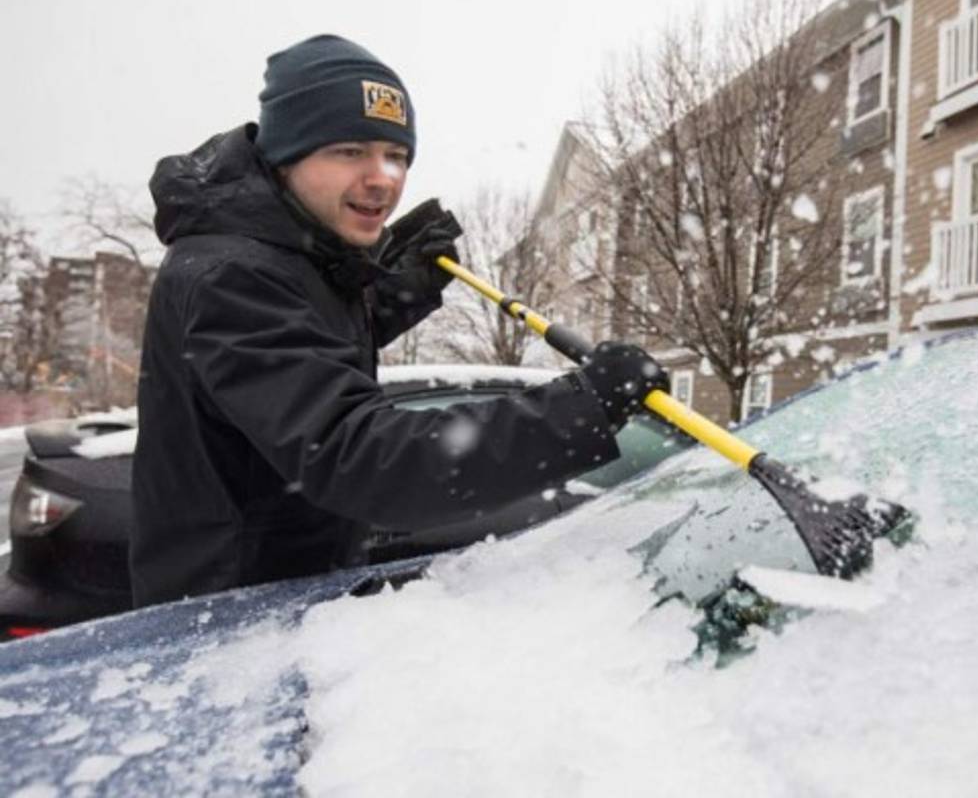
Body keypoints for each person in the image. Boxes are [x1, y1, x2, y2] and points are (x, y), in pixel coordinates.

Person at [130, 34, 667, 606]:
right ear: (286, 154)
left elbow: (298, 354)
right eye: (349, 151)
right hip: (226, 624)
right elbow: (360, 458)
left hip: (276, 599)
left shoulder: (277, 258)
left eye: (397, 154)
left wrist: (390, 291)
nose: (383, 177)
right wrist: (582, 407)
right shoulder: (232, 275)